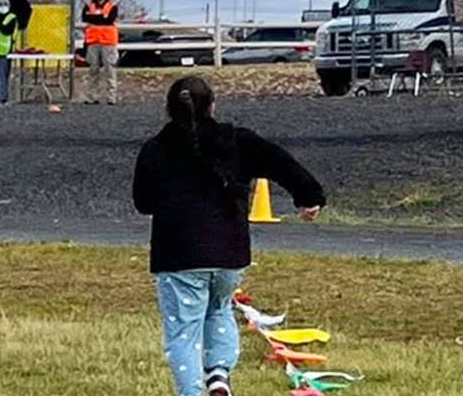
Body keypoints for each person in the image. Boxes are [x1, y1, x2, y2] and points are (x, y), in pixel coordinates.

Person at [133, 77, 325, 396]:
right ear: (212, 106)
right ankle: (219, 375)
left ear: (168, 110)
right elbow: (280, 162)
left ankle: (192, 391)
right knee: (219, 309)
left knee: (184, 330)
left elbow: (143, 202)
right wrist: (309, 195)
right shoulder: (237, 141)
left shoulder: (155, 149)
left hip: (178, 254)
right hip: (229, 253)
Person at [83, 0, 122, 105]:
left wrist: (94, 18)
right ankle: (92, 97)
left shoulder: (112, 6)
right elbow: (85, 18)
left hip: (108, 42)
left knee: (110, 70)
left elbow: (110, 19)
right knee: (93, 70)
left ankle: (111, 97)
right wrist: (100, 18)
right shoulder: (89, 5)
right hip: (93, 41)